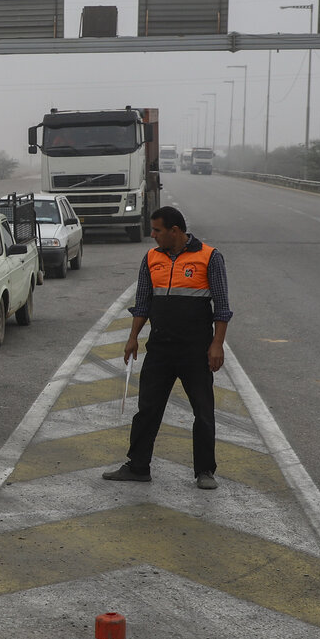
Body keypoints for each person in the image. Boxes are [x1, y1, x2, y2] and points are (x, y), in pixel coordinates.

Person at [102, 206, 232, 490]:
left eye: (157, 230)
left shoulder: (210, 257)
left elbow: (222, 308)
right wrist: (133, 337)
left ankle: (205, 471)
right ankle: (138, 466)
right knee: (147, 408)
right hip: (160, 348)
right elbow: (143, 301)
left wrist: (217, 345)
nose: (152, 236)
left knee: (203, 410)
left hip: (195, 350)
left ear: (175, 231)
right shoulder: (151, 258)